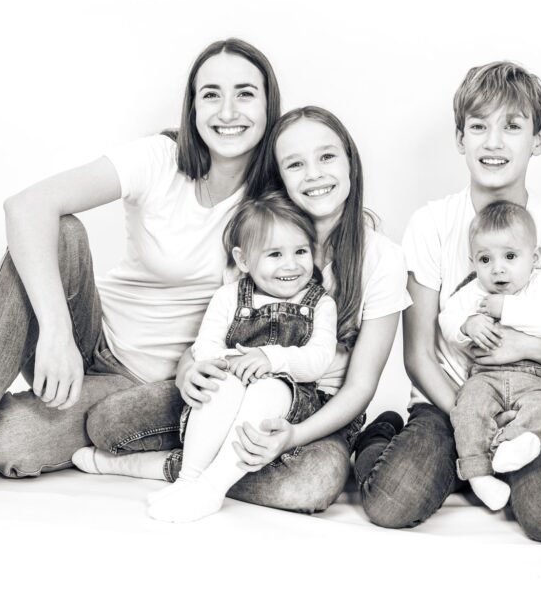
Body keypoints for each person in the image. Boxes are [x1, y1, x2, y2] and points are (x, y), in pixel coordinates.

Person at [0, 37, 281, 512]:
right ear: (192, 106)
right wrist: (57, 334)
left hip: (142, 384)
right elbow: (26, 206)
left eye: (245, 93)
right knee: (61, 231)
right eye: (211, 94)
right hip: (84, 332)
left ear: (268, 104)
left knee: (11, 446)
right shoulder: (160, 158)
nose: (227, 111)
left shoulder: (275, 203)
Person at [72, 106, 412, 514]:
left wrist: (292, 437)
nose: (314, 174)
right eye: (295, 164)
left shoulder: (383, 258)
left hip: (313, 410)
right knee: (108, 424)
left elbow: (359, 387)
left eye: (327, 156)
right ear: (280, 175)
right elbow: (212, 332)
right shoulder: (252, 237)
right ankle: (205, 461)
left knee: (315, 482)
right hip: (228, 387)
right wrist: (188, 373)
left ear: (350, 162)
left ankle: (172, 469)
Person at [353, 60, 541, 542]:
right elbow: (418, 357)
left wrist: (532, 351)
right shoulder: (432, 224)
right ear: (460, 138)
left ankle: (479, 468)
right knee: (391, 503)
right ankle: (380, 438)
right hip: (448, 401)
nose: (493, 142)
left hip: (530, 406)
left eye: (512, 127)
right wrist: (472, 420)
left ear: (538, 139)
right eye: (479, 126)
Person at [143, 192, 337, 522]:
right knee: (219, 383)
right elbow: (204, 346)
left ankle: (213, 487)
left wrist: (271, 359)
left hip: (288, 401)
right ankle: (189, 479)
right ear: (243, 260)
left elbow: (319, 359)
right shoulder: (229, 296)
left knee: (269, 388)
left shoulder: (320, 304)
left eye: (301, 251)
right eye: (275, 254)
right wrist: (232, 362)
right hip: (232, 387)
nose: (291, 264)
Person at [439, 200, 541, 511]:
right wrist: (467, 325)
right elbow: (446, 319)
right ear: (473, 262)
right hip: (486, 377)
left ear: (534, 258)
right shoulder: (474, 291)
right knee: (467, 408)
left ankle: (516, 443)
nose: (497, 268)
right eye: (485, 259)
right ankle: (479, 476)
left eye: (510, 257)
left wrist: (506, 308)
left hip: (540, 378)